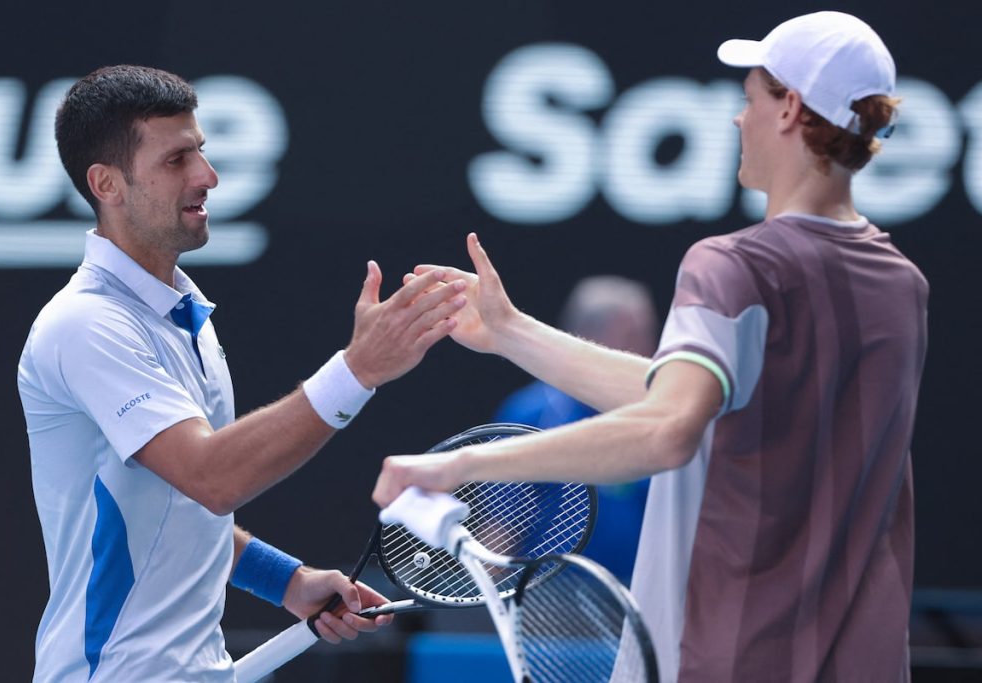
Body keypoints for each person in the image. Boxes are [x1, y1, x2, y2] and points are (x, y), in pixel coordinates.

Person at [374, 12, 927, 682]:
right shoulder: (901, 284)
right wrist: (512, 332)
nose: (736, 120)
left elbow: (668, 428)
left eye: (749, 99)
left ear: (789, 110)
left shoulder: (734, 266)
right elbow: (693, 400)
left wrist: (463, 465)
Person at [17, 65, 467, 682]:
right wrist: (358, 369)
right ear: (107, 184)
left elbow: (167, 513)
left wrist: (287, 581)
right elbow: (211, 478)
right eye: (176, 160)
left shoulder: (181, 311)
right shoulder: (86, 326)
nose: (208, 175)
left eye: (200, 150)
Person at [492, 275, 660, 580]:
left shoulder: (663, 415)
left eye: (648, 334)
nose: (647, 348)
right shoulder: (532, 415)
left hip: (645, 601)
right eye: (632, 335)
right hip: (549, 606)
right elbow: (500, 527)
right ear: (586, 339)